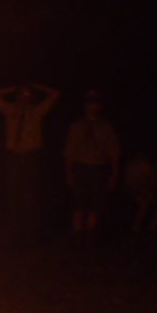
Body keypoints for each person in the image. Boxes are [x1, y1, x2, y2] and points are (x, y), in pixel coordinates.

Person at [0, 82, 59, 244]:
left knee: (31, 196)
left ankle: (31, 235)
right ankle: (16, 234)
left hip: (31, 157)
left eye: (27, 95)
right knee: (14, 195)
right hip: (14, 157)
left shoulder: (37, 111)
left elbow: (55, 94)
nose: (24, 97)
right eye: (21, 94)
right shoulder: (10, 109)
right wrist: (12, 88)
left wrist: (38, 86)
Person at [63, 90, 120, 243]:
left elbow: (113, 150)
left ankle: (90, 235)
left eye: (94, 103)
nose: (91, 106)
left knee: (95, 203)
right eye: (89, 103)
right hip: (80, 167)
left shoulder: (106, 127)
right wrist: (68, 172)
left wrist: (114, 173)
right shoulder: (76, 125)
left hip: (98, 167)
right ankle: (77, 234)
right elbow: (69, 151)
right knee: (78, 202)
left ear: (99, 106)